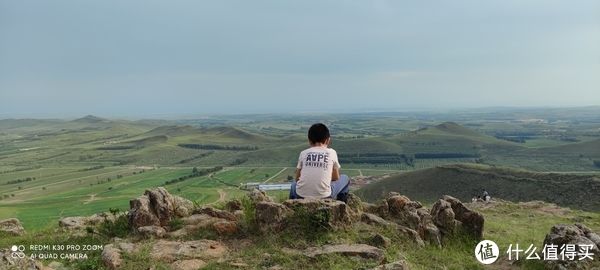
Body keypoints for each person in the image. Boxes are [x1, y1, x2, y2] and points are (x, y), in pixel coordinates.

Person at [289, 123, 350, 203]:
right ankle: (340, 204)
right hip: (325, 196)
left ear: (309, 141)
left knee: (294, 184)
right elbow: (336, 177)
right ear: (328, 140)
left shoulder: (303, 153)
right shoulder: (332, 152)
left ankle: (292, 206)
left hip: (301, 195)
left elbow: (297, 179)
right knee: (345, 178)